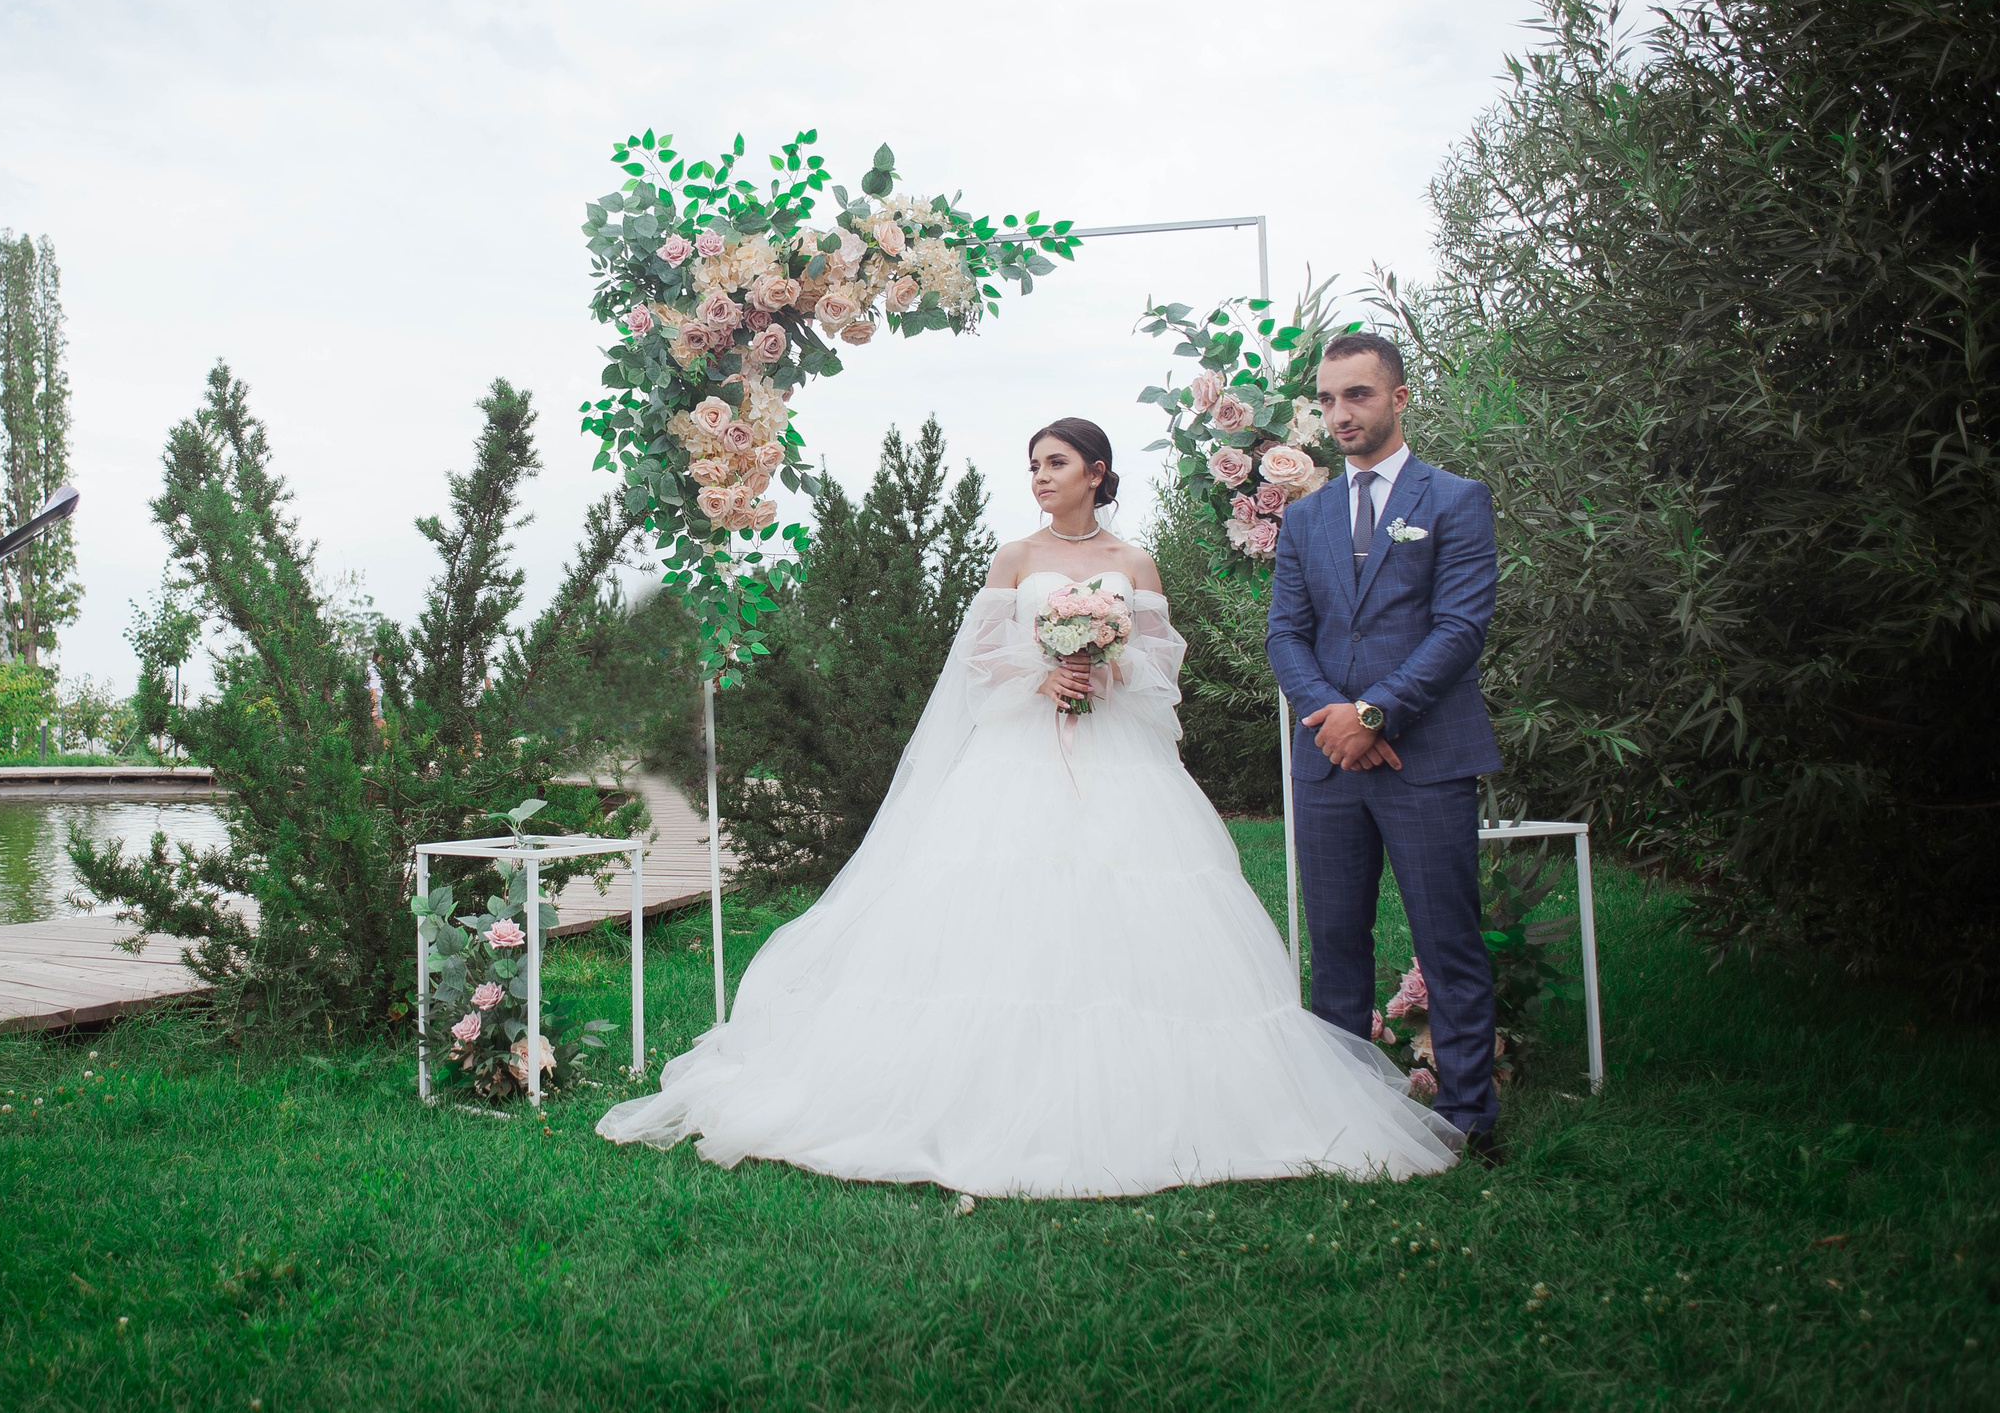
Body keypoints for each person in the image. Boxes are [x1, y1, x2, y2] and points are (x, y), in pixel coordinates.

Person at [597, 418, 1459, 1196]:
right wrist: (1042, 671)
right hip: (1018, 757)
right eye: (1032, 464)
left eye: (1054, 463)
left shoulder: (1134, 563)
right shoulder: (1013, 557)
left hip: (1118, 757)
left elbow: (1164, 672)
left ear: (1097, 470)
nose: (1039, 477)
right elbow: (976, 670)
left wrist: (1112, 664)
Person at [1265, 333, 1505, 1163]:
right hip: (1327, 761)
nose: (1340, 414)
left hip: (1426, 754)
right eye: (1328, 399)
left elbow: (1460, 626)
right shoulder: (1306, 516)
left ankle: (1470, 1113)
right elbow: (1287, 636)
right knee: (1335, 944)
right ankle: (1346, 1118)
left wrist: (1374, 714)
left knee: (1448, 939)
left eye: (1358, 396)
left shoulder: (1457, 499)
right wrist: (1335, 716)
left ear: (1400, 398)